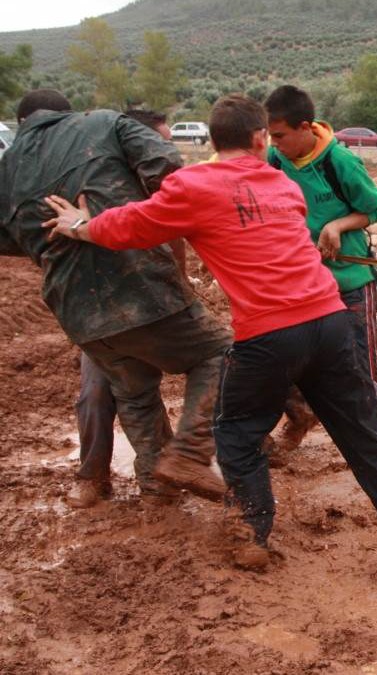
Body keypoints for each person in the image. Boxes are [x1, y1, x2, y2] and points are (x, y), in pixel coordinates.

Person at [43, 94, 377, 577]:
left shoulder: (191, 186)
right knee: (363, 435)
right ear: (258, 139)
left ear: (212, 140)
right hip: (331, 319)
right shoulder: (282, 184)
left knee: (235, 433)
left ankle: (253, 534)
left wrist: (79, 224)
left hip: (269, 333)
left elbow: (130, 228)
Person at [0, 89, 231, 507]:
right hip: (138, 281)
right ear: (65, 114)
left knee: (134, 393)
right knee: (224, 353)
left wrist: (53, 234)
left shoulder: (7, 165)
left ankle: (157, 490)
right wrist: (122, 216)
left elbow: (8, 239)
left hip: (76, 308)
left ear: (24, 123)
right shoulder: (103, 122)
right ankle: (191, 452)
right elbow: (167, 166)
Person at [262, 84, 377, 459]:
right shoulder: (275, 161)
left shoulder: (339, 162)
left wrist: (337, 226)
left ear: (305, 127)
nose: (274, 144)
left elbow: (373, 210)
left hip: (349, 283)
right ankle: (301, 416)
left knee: (362, 374)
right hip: (303, 284)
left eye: (280, 136)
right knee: (280, 359)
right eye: (269, 137)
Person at [71, 107, 193, 508]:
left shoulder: (166, 193)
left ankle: (181, 462)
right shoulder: (99, 193)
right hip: (107, 313)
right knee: (97, 393)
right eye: (160, 143)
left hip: (163, 305)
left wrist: (183, 289)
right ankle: (94, 475)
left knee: (225, 360)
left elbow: (179, 248)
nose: (165, 153)